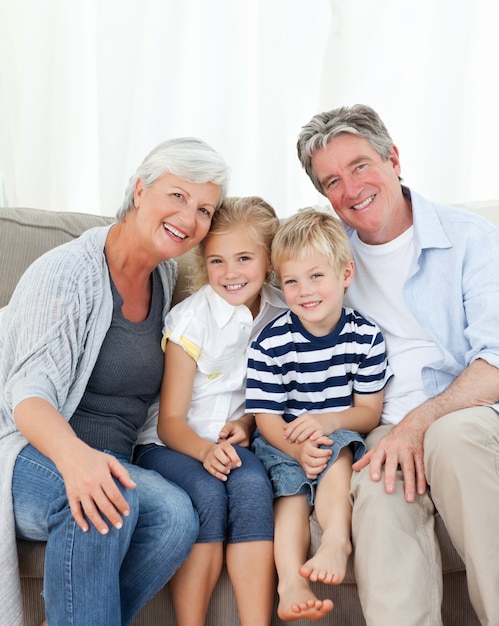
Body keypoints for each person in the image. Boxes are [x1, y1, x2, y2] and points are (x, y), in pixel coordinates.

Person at [0, 137, 231, 626]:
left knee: (174, 518)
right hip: (23, 449)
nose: (190, 219)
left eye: (205, 209)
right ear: (140, 190)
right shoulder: (68, 272)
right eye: (178, 196)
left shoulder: (166, 278)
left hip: (110, 459)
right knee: (109, 499)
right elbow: (28, 395)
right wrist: (77, 459)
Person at [296, 103, 499, 625]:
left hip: (466, 412)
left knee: (453, 442)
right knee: (380, 497)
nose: (351, 188)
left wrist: (419, 423)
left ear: (393, 158)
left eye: (360, 165)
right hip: (378, 426)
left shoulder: (470, 238)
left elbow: (496, 361)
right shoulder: (327, 260)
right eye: (332, 181)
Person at [133, 196, 287, 626]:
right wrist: (203, 451)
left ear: (269, 260)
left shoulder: (283, 310)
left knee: (254, 488)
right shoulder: (191, 321)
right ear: (203, 262)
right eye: (217, 260)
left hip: (233, 443)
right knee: (205, 494)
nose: (231, 272)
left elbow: (275, 392)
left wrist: (247, 422)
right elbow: (169, 422)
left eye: (244, 258)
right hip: (171, 445)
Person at [246, 208, 392, 622]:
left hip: (335, 433)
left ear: (345, 275)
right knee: (289, 494)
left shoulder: (365, 337)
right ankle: (290, 581)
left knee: (340, 453)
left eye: (316, 276)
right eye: (291, 281)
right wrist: (295, 451)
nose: (304, 291)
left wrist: (328, 424)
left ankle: (335, 540)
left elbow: (368, 413)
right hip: (282, 438)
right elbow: (266, 419)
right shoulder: (270, 343)